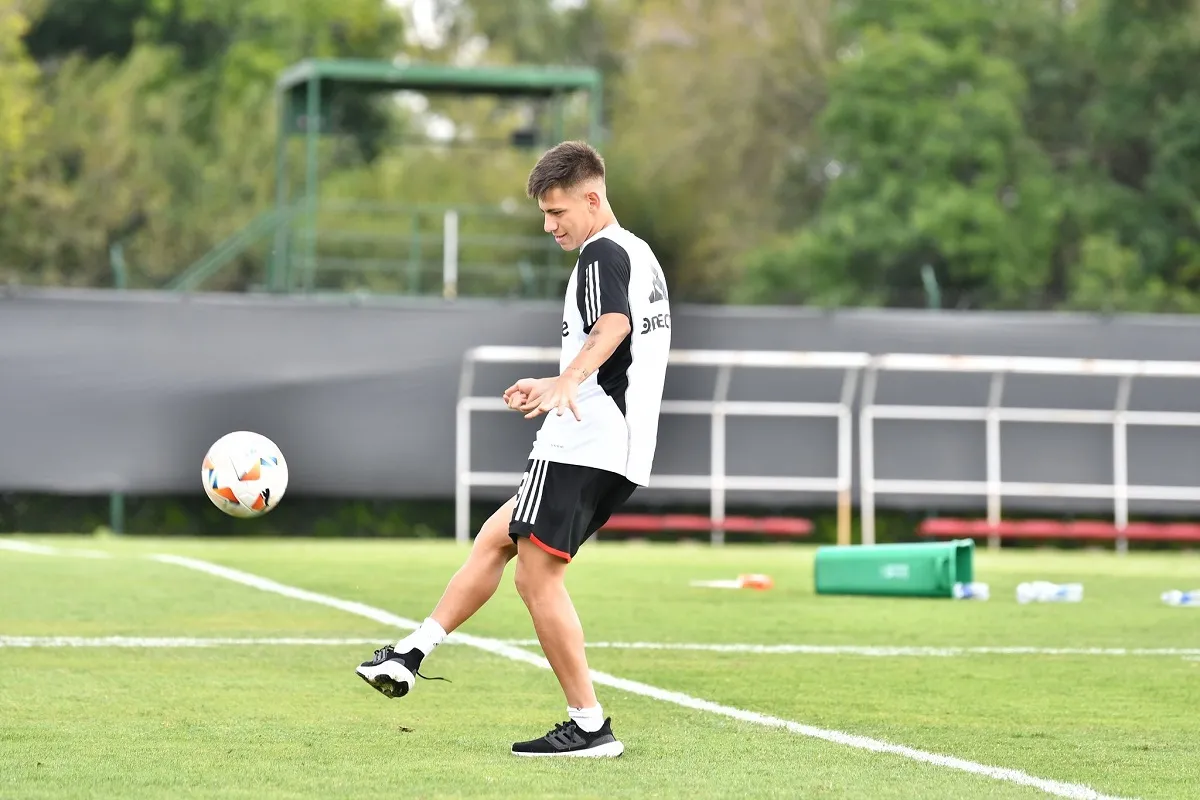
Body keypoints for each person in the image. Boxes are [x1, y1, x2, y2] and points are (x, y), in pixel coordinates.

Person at [355, 140, 672, 758]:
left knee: (536, 579)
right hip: (611, 442)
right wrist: (555, 378)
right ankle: (412, 652)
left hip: (586, 440)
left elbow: (614, 327)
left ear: (592, 197)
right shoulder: (638, 252)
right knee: (496, 538)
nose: (551, 227)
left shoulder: (603, 252)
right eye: (544, 216)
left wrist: (565, 381)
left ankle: (588, 726)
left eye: (558, 214)